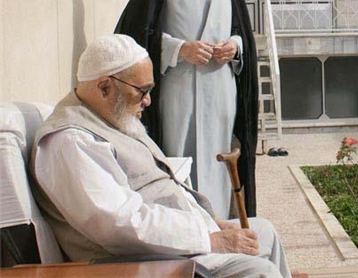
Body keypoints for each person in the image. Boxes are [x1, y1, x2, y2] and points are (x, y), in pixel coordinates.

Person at [29, 34, 290, 278]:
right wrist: (208, 238)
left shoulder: (110, 116)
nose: (148, 101)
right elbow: (119, 224)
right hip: (144, 263)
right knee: (259, 272)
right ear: (105, 87)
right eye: (142, 91)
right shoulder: (71, 141)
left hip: (173, 246)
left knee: (263, 232)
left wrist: (213, 223)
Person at [115, 0, 258, 219]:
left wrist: (235, 46)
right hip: (176, 95)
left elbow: (242, 33)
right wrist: (180, 49)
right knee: (176, 163)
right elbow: (135, 34)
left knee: (219, 162)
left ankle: (219, 227)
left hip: (221, 95)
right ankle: (182, 228)